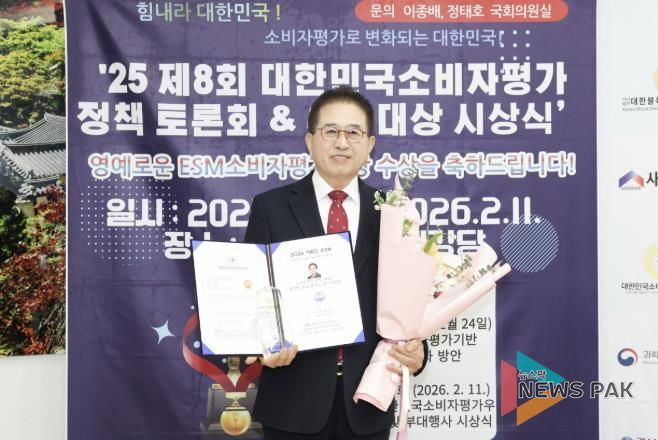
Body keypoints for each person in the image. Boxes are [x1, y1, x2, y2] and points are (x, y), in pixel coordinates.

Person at [244, 86, 427, 439]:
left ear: (370, 144)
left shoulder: (393, 211)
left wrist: (417, 349)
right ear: (310, 140)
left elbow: (409, 297)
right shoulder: (271, 207)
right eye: (330, 131)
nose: (342, 143)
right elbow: (254, 294)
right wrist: (264, 343)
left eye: (353, 132)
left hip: (368, 399)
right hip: (292, 402)